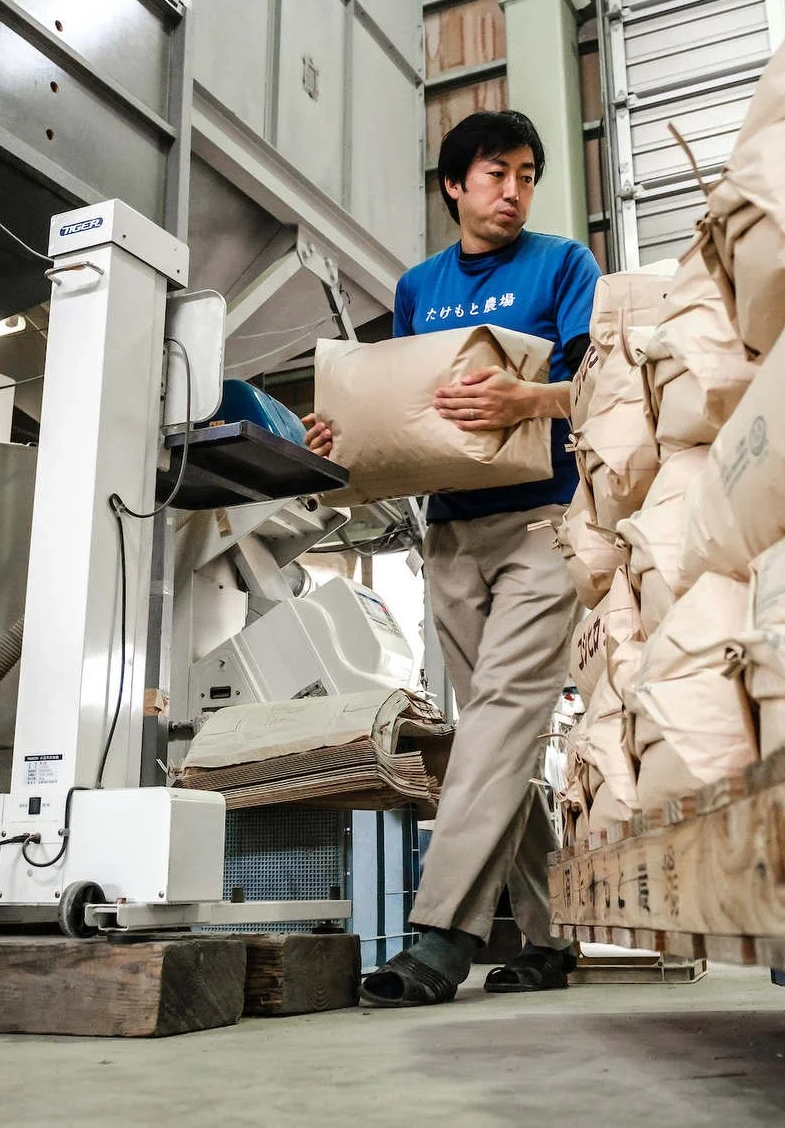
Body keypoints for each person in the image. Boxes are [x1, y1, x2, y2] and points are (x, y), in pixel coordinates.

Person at [303, 109, 601, 1005]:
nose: (513, 191)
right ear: (454, 186)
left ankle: (441, 934)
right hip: (451, 533)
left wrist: (529, 396)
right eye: (494, 174)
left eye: (525, 175)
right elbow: (399, 406)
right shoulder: (418, 287)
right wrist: (337, 435)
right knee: (489, 739)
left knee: (503, 717)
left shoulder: (562, 265)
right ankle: (552, 938)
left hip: (546, 523)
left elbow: (600, 383)